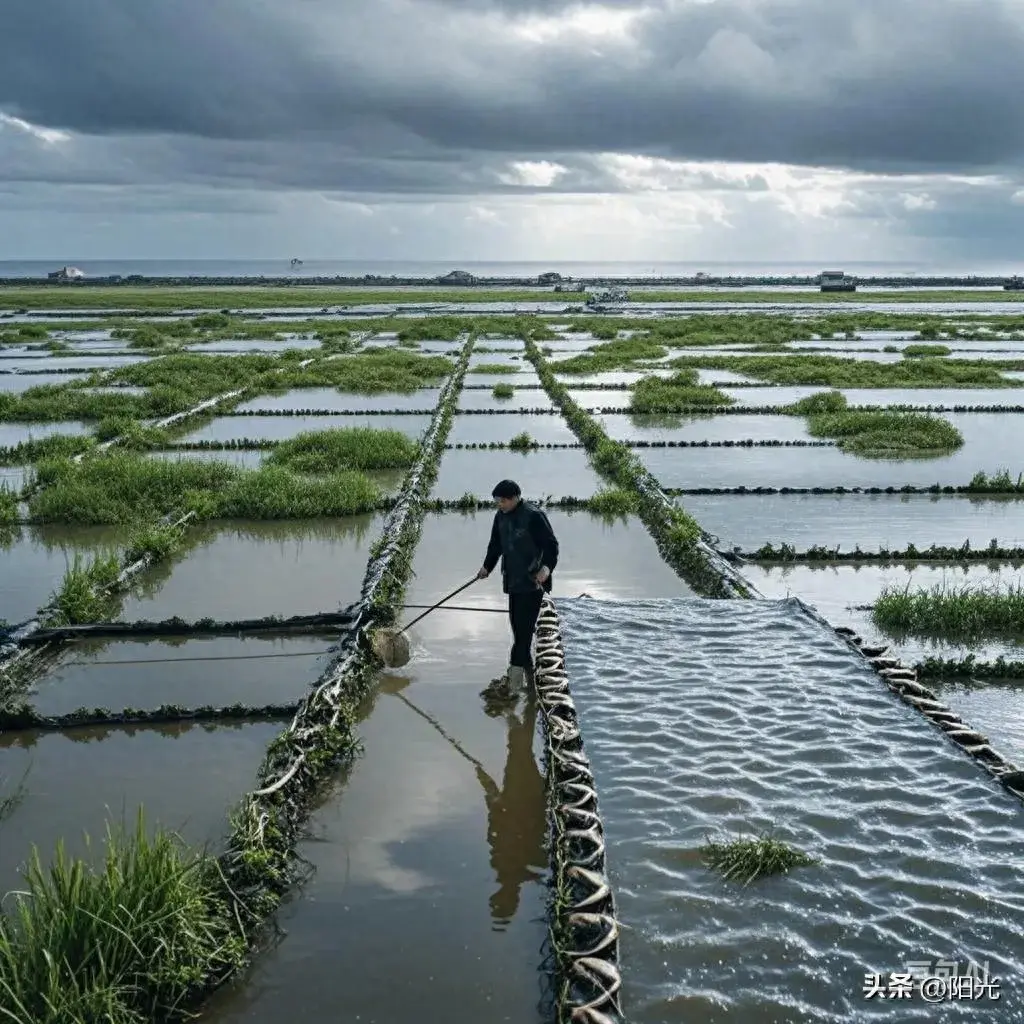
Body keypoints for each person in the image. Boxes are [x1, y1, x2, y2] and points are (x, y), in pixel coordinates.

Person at [476, 479, 559, 700]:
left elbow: (551, 546)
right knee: (518, 631)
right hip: (513, 581)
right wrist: (487, 566)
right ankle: (529, 680)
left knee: (522, 635)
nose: (499, 505)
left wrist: (546, 570)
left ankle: (513, 687)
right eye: (496, 501)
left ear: (515, 498)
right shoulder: (500, 517)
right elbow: (495, 545)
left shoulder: (534, 516)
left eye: (502, 500)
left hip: (533, 582)